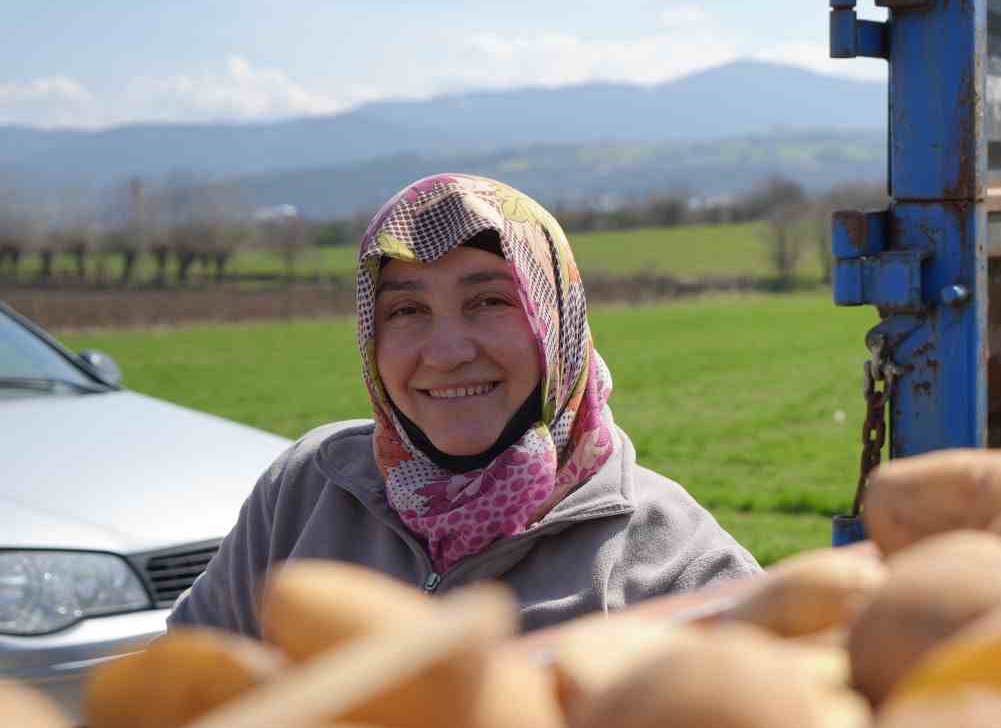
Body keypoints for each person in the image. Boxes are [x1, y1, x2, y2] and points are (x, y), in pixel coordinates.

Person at [170, 174, 761, 636]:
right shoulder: (308, 489)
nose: (447, 352)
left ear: (556, 322)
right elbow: (182, 690)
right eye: (406, 311)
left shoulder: (675, 559)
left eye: (489, 302)